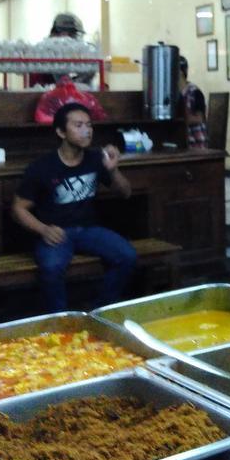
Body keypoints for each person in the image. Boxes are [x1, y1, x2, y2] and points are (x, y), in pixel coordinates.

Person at [11, 102, 135, 311]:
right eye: (78, 125)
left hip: (89, 229)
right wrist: (43, 229)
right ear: (61, 131)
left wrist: (113, 171)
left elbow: (126, 193)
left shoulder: (96, 159)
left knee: (127, 256)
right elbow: (18, 208)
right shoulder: (43, 167)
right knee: (51, 267)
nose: (86, 130)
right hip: (56, 232)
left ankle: (99, 312)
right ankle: (61, 321)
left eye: (89, 125)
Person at [28, 12, 94, 87]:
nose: (77, 41)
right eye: (75, 35)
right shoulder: (44, 54)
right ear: (63, 34)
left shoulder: (68, 55)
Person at [178, 55, 208, 149]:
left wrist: (178, 120)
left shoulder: (195, 92)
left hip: (195, 143)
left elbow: (199, 119)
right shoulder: (174, 93)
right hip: (181, 141)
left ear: (181, 72)